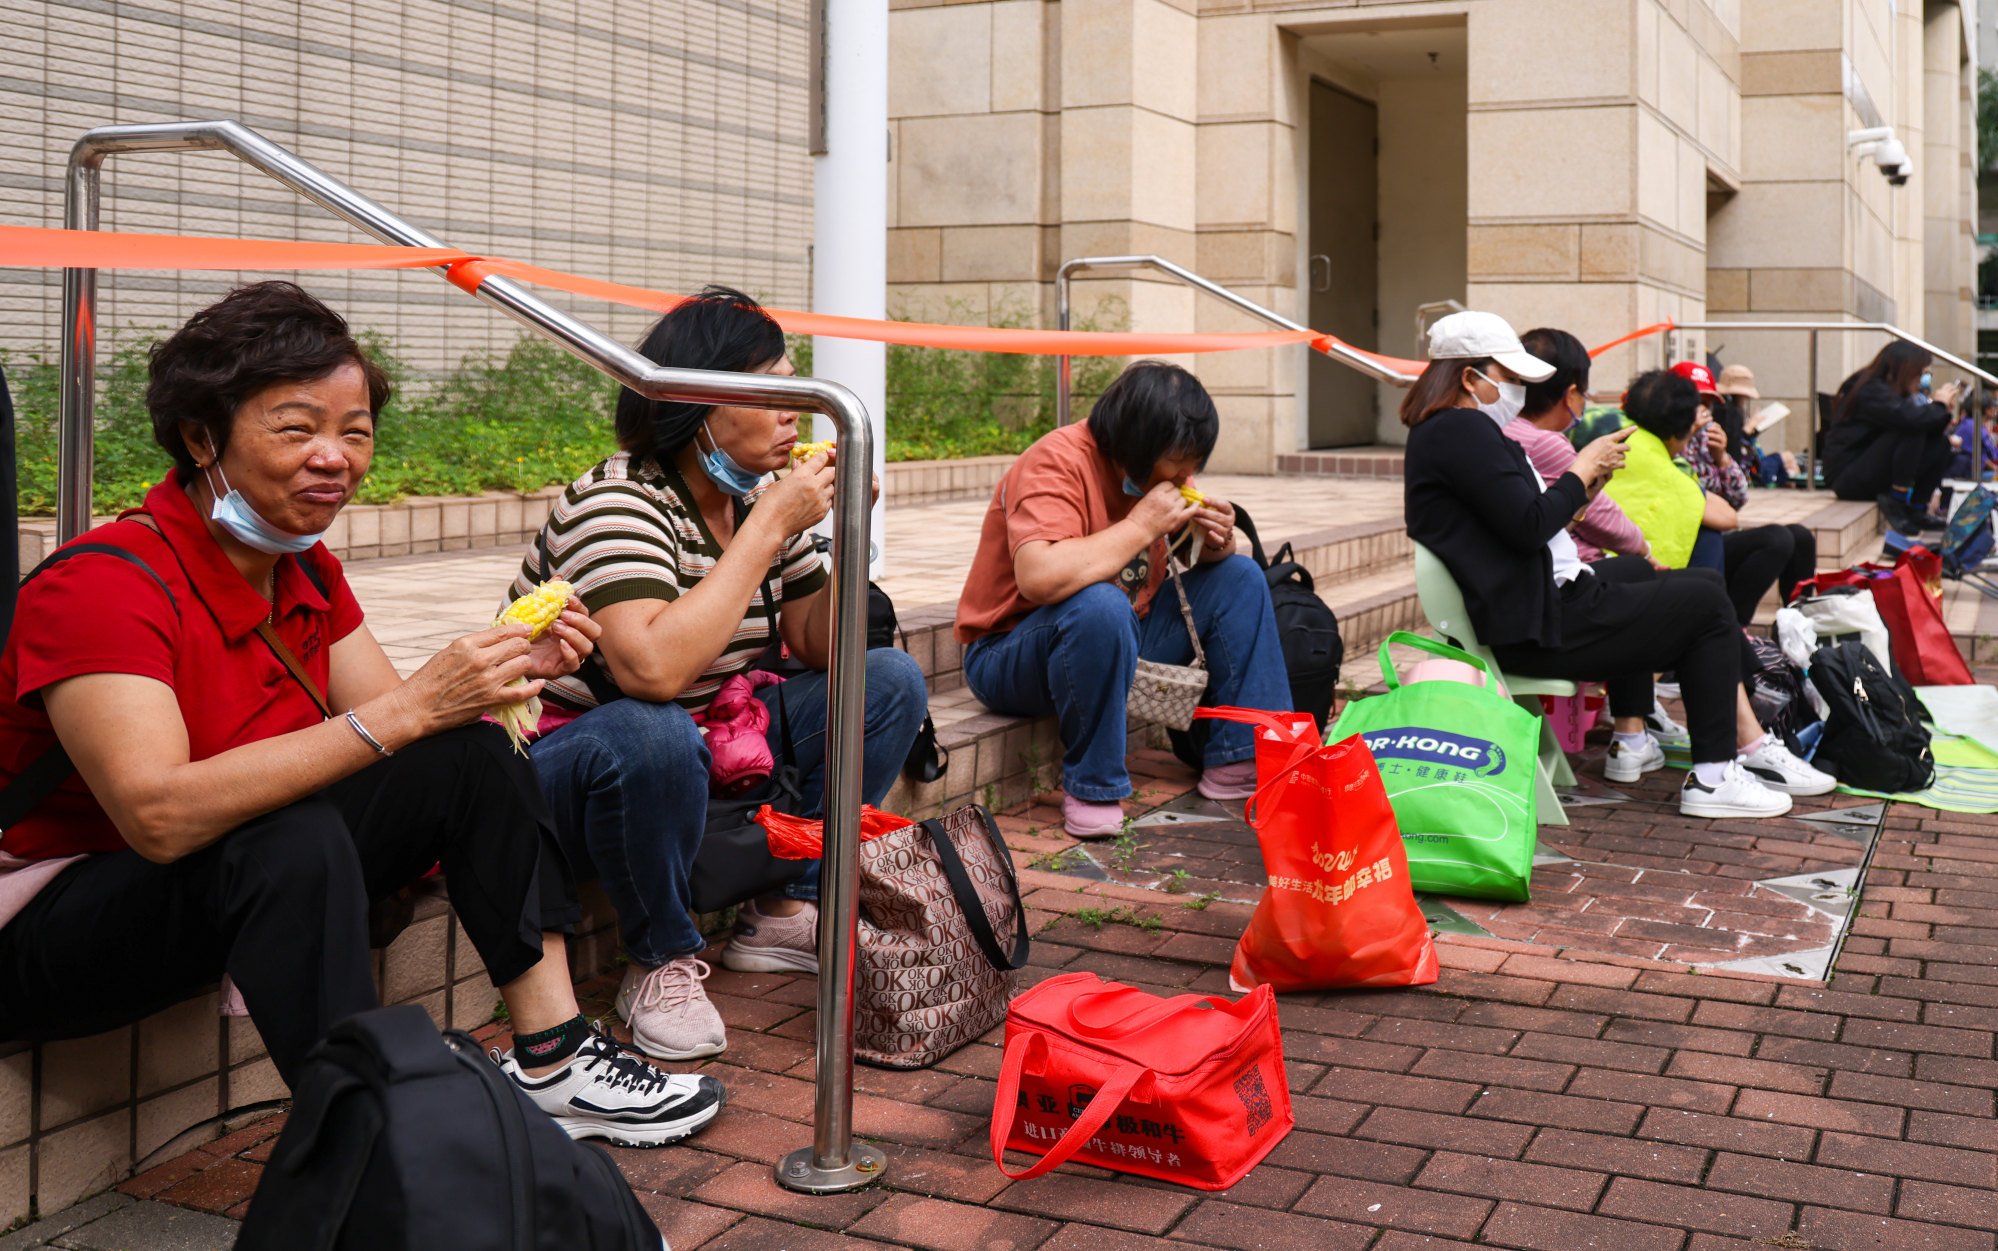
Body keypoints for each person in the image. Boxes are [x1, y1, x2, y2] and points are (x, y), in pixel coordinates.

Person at [0, 282, 723, 1147]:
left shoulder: (302, 568)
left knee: (469, 752)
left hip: (211, 881)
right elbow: (157, 814)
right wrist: (417, 706)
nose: (334, 457)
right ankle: (370, 1141)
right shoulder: (105, 583)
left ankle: (554, 1054)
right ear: (201, 438)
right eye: (296, 427)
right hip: (48, 927)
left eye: (355, 431)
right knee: (289, 837)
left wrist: (496, 676)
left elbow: (397, 726)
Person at [521, 286, 927, 1063]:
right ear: (700, 403)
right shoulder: (618, 499)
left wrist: (841, 531)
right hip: (579, 765)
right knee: (654, 729)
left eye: (792, 387)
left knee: (888, 682)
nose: (793, 411)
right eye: (771, 389)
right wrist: (775, 523)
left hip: (704, 747)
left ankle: (783, 909)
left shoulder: (755, 503)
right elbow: (651, 669)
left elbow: (818, 644)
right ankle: (658, 958)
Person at [1401, 311, 1829, 819]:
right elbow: (1527, 525)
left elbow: (1519, 520)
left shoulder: (1453, 432)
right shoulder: (1462, 432)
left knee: (1646, 572)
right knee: (1707, 599)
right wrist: (1580, 471)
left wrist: (1586, 483)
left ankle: (1638, 736)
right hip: (1535, 621)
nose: (1517, 393)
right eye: (1510, 379)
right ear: (1470, 377)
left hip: (1530, 603)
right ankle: (1717, 774)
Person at [956, 361, 1289, 839]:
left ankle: (1242, 758)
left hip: (1120, 632)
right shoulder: (1056, 461)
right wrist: (1141, 525)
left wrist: (1216, 543)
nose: (1187, 473)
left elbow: (1184, 565)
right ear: (1136, 445)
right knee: (1101, 606)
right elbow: (1039, 577)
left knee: (1240, 575)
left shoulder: (1154, 475)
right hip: (1009, 653)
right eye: (1178, 460)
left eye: (1196, 461)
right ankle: (1094, 788)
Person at [1672, 362, 1818, 625]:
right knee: (1777, 540)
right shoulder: (1668, 441)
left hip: (1719, 538)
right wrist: (1687, 435)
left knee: (1801, 537)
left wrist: (1723, 458)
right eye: (1696, 402)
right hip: (1694, 546)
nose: (1703, 411)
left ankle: (1800, 627)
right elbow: (1690, 498)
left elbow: (1739, 498)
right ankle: (1731, 626)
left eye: (1708, 403)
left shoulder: (1709, 440)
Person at [1504, 328, 1652, 564]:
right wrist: (1645, 550)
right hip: (1570, 574)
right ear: (1571, 394)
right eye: (1585, 392)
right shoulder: (1546, 443)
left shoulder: (1498, 427)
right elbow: (1603, 520)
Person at [1824, 341, 1958, 532]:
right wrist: (1938, 407)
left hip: (1867, 470)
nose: (1921, 380)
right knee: (1912, 428)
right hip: (1847, 478)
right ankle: (1898, 501)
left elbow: (1926, 428)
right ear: (1904, 369)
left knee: (1940, 443)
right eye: (1919, 373)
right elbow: (1912, 420)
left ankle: (1918, 509)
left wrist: (1941, 411)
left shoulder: (1887, 390)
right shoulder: (1870, 390)